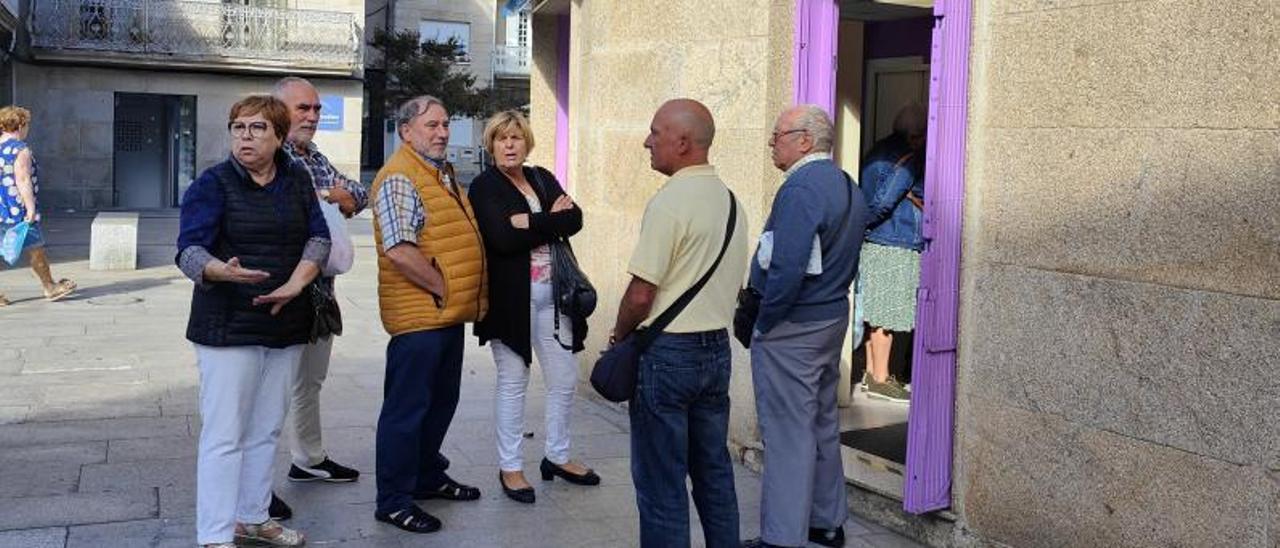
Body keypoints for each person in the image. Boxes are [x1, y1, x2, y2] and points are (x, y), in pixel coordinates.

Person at [176, 95, 328, 548]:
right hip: (227, 327)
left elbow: (318, 237)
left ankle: (254, 518)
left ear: (279, 136)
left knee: (266, 428)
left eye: (258, 128)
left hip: (285, 321)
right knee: (224, 435)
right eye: (239, 127)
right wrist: (221, 270)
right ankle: (215, 536)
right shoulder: (213, 183)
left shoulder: (297, 180)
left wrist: (296, 284)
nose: (245, 136)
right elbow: (188, 250)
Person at [611, 98, 749, 548]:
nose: (647, 141)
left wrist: (620, 334)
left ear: (684, 142)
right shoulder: (731, 203)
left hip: (669, 354)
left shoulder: (670, 203)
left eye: (655, 132)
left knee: (661, 483)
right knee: (713, 472)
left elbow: (641, 293)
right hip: (716, 352)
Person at [742, 106, 869, 548]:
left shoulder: (801, 188)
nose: (771, 142)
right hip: (830, 317)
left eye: (778, 134)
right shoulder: (844, 184)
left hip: (795, 326)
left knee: (787, 432)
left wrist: (765, 319)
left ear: (805, 141)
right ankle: (826, 521)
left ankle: (782, 537)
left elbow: (788, 266)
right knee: (820, 423)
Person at [468, 110, 598, 505]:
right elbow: (503, 238)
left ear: (527, 143)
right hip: (512, 300)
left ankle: (557, 456)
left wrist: (531, 221)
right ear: (490, 145)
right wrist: (548, 220)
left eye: (516, 137)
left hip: (555, 296)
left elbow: (574, 219)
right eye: (501, 138)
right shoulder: (484, 185)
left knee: (562, 379)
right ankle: (510, 466)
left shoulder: (541, 177)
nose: (509, 145)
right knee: (513, 381)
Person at [370, 95, 487, 534]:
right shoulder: (400, 176)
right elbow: (400, 250)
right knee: (407, 410)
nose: (441, 133)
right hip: (421, 317)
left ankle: (424, 475)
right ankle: (394, 500)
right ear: (406, 131)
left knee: (440, 402)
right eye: (432, 125)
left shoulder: (439, 173)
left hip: (445, 315)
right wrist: (444, 289)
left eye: (446, 124)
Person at [266, 76, 366, 520]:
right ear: (277, 110)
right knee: (269, 396)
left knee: (310, 382)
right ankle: (255, 484)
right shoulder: (269, 155)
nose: (311, 116)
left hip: (321, 296)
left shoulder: (313, 156)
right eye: (302, 108)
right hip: (282, 294)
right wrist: (329, 197)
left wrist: (339, 196)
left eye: (316, 109)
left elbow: (359, 192)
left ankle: (308, 459)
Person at [857, 103, 927, 403]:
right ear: (915, 134)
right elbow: (885, 201)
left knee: (875, 313)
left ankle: (872, 373)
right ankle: (881, 379)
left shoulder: (878, 150)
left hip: (878, 240)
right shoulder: (907, 157)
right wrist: (867, 223)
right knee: (886, 313)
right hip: (894, 240)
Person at [0, 106, 76, 305]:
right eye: (27, 124)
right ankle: (49, 286)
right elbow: (23, 180)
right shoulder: (20, 150)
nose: (27, 129)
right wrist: (30, 208)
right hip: (17, 210)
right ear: (21, 125)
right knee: (36, 249)